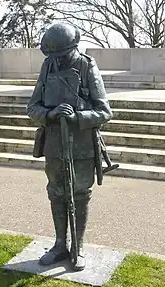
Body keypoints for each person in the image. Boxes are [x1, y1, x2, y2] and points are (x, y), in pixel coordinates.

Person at [26, 22, 113, 271]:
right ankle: (60, 244)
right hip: (54, 142)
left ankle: (78, 246)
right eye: (55, 56)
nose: (59, 61)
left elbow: (105, 111)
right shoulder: (48, 65)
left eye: (63, 55)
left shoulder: (87, 66)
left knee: (80, 195)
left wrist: (77, 116)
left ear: (73, 47)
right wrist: (51, 114)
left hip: (82, 145)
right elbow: (32, 107)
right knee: (56, 191)